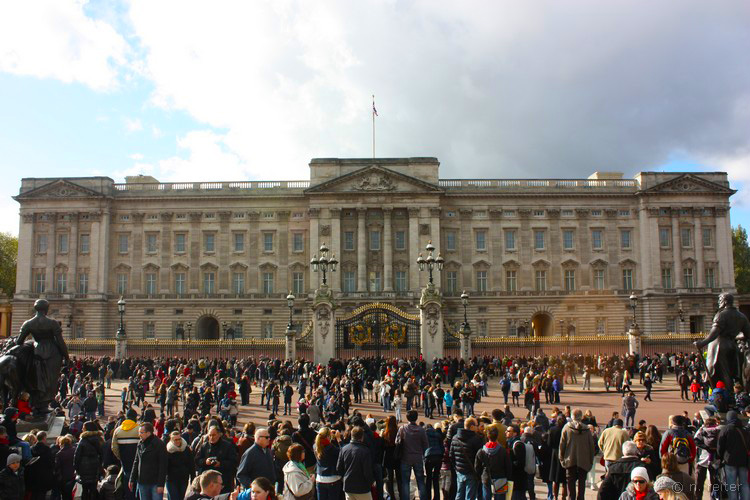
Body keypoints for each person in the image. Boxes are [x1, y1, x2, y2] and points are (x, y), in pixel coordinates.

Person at [558, 408, 596, 500]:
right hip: (584, 460)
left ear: (572, 416)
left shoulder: (567, 428)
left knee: (570, 486)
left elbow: (562, 445)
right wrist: (590, 461)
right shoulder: (587, 430)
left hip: (570, 459)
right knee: (582, 485)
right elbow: (591, 447)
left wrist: (562, 459)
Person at [194, 424, 239, 493]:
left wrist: (220, 464)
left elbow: (234, 462)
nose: (212, 437)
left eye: (214, 435)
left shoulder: (228, 446)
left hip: (224, 482)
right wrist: (205, 462)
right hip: (207, 483)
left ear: (219, 434)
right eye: (210, 435)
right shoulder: (204, 446)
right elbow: (197, 460)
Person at [129, 421, 168, 500]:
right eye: (139, 432)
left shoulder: (159, 444)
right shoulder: (140, 444)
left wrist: (161, 484)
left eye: (141, 432)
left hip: (155, 482)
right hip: (142, 482)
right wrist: (131, 479)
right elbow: (136, 462)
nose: (139, 434)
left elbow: (163, 465)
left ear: (148, 433)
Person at [717, 410, 750, 500]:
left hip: (730, 460)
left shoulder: (725, 429)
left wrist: (720, 457)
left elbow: (720, 446)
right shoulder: (744, 430)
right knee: (744, 484)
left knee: (731, 484)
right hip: (744, 461)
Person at [450, 416, 485, 500]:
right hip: (471, 471)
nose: (477, 427)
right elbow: (480, 457)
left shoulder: (455, 438)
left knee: (459, 494)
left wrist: (456, 467)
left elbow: (451, 455)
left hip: (459, 471)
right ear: (472, 427)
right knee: (470, 496)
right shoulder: (476, 439)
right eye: (476, 425)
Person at [397, 409, 429, 500]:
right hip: (418, 458)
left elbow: (397, 442)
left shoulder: (403, 428)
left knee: (405, 482)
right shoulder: (421, 430)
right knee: (420, 482)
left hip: (405, 458)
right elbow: (426, 444)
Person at [337, 426, 374, 500]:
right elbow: (367, 471)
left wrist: (344, 478)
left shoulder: (344, 449)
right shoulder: (365, 451)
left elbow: (338, 468)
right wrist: (371, 481)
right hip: (362, 488)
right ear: (362, 437)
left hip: (348, 486)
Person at [475, 426, 511, 500]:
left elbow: (477, 467)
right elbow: (508, 466)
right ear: (497, 436)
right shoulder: (503, 451)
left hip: (486, 477)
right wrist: (508, 477)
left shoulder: (481, 451)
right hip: (500, 477)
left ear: (487, 436)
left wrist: (479, 476)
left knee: (486, 497)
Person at [74, 421, 104, 500]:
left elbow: (77, 456)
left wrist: (76, 468)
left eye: (83, 427)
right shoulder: (99, 439)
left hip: (84, 468)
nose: (82, 429)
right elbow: (102, 454)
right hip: (95, 467)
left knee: (85, 489)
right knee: (93, 488)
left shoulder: (83, 440)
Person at [314, 427, 342, 500]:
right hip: (333, 479)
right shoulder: (331, 448)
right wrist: (338, 439)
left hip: (320, 478)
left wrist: (331, 438)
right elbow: (343, 453)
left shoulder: (316, 446)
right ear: (328, 437)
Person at [26, 430, 55, 500]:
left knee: (34, 495)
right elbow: (51, 462)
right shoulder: (47, 449)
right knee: (42, 494)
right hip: (44, 476)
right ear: (44, 438)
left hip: (34, 476)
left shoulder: (32, 448)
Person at [167, 430, 195, 500]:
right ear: (171, 440)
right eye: (175, 440)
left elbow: (191, 464)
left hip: (183, 479)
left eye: (179, 439)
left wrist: (193, 479)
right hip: (171, 480)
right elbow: (164, 466)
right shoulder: (168, 450)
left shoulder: (186, 449)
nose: (178, 441)